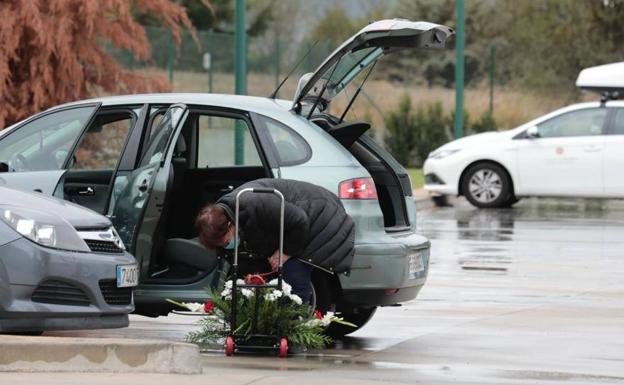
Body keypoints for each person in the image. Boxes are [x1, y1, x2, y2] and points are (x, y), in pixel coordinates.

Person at [195, 178, 355, 302]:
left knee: (293, 277)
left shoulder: (254, 203)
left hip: (320, 217)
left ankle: (293, 326)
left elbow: (299, 221)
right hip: (293, 223)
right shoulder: (222, 217)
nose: (225, 245)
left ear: (230, 225)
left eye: (225, 241)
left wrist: (285, 252)